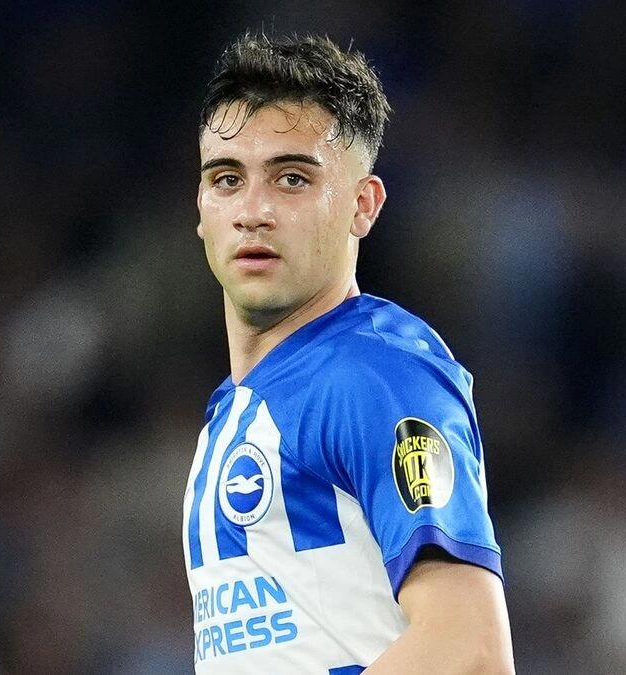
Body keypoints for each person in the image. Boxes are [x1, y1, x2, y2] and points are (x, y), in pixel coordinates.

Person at [183, 33, 514, 674]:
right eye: (227, 179)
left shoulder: (376, 374)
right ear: (201, 208)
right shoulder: (233, 409)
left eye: (292, 179)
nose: (253, 211)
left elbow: (471, 648)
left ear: (363, 205)